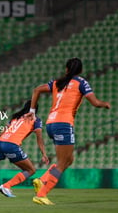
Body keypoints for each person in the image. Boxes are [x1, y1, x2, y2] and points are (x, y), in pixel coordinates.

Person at [27, 57, 110, 205]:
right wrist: (105, 104)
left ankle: (42, 180)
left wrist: (32, 111)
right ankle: (41, 194)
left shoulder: (57, 82)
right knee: (62, 162)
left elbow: (37, 90)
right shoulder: (81, 82)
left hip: (51, 124)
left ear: (66, 69)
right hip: (63, 124)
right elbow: (95, 103)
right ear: (81, 71)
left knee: (68, 160)